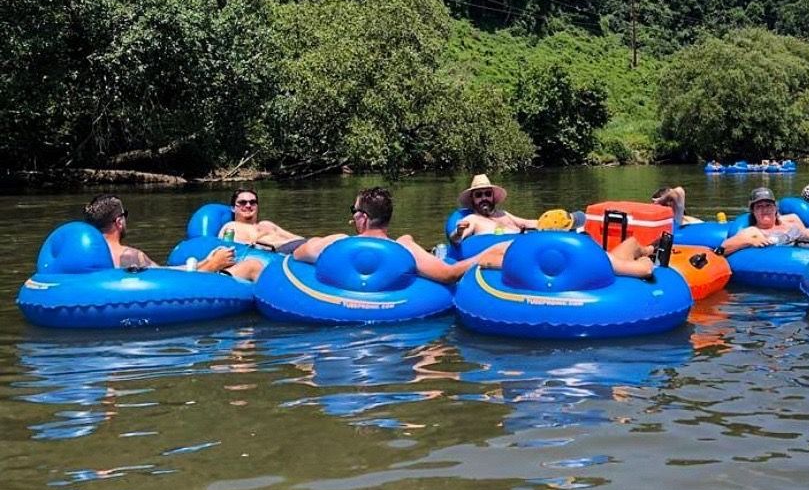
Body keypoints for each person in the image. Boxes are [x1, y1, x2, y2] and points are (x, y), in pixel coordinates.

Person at [294, 186, 503, 284]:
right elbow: (449, 274)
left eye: (354, 211)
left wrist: (317, 241)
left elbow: (298, 254)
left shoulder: (337, 242)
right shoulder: (405, 248)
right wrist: (485, 255)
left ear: (363, 218)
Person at [82, 194, 262, 280]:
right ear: (119, 221)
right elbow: (169, 279)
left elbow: (161, 272)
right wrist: (213, 264)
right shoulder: (130, 256)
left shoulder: (84, 259)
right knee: (252, 266)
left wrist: (203, 262)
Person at [525, 208, 666, 279]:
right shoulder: (586, 253)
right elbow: (644, 271)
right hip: (606, 269)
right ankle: (649, 252)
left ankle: (648, 248)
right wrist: (646, 261)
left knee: (632, 242)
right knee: (632, 243)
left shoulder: (530, 253)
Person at [720, 187, 809, 254]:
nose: (765, 209)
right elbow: (722, 249)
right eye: (759, 206)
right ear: (753, 210)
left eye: (768, 205)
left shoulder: (791, 220)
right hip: (796, 257)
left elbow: (807, 233)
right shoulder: (752, 232)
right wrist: (748, 241)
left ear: (775, 208)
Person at [450, 175, 537, 243]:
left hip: (524, 244)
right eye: (478, 195)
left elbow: (527, 223)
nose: (484, 198)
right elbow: (456, 240)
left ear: (492, 196)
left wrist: (547, 221)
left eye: (487, 194)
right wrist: (459, 232)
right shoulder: (473, 219)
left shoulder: (503, 214)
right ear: (472, 199)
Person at [216, 188, 306, 254]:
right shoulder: (231, 226)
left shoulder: (267, 224)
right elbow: (239, 246)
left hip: (294, 248)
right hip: (274, 253)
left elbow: (297, 237)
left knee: (315, 242)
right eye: (242, 202)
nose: (248, 205)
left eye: (252, 202)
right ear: (233, 208)